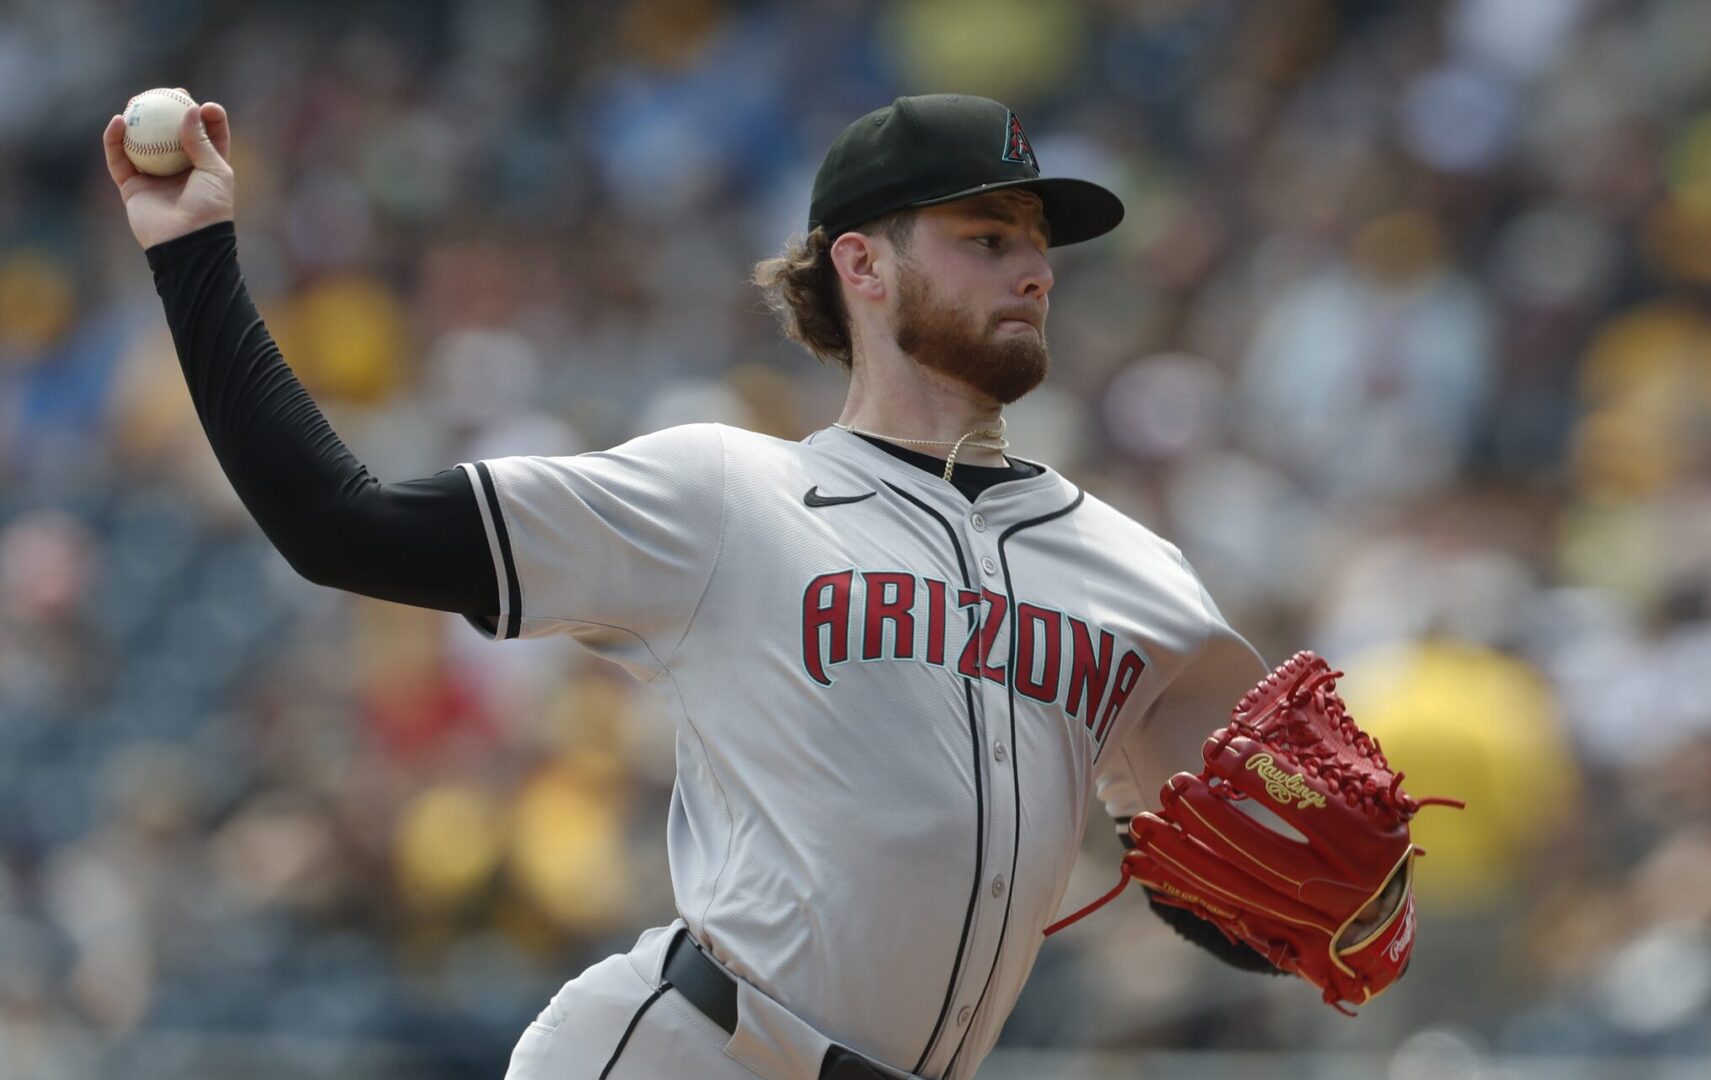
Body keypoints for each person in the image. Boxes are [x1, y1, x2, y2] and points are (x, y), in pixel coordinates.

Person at [104, 92, 1372, 1080]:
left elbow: (1222, 874)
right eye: (988, 238)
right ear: (863, 267)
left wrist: (1314, 895)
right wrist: (193, 251)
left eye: (1037, 244)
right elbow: (344, 528)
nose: (1033, 269)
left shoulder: (1138, 575)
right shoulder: (722, 495)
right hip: (690, 1052)